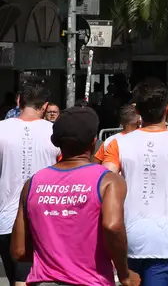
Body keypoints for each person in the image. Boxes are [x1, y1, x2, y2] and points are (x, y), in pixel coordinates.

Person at [10, 106, 140, 286]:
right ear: (94, 142)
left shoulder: (33, 183)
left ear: (55, 142)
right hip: (91, 281)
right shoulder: (108, 181)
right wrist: (124, 274)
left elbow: (18, 250)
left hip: (44, 281)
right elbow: (112, 226)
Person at [97, 79, 168, 286]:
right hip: (165, 242)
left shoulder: (117, 143)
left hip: (126, 239)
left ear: (137, 110)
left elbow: (103, 186)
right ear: (167, 110)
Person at [0, 83, 64, 286]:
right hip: (44, 216)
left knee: (18, 277)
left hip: (5, 216)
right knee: (26, 277)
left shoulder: (1, 128)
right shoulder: (56, 132)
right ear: (45, 107)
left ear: (19, 101)